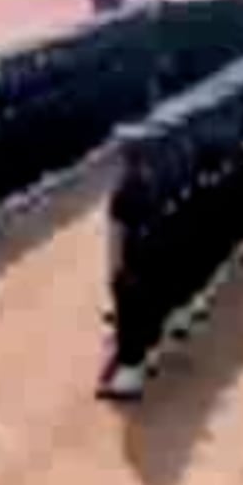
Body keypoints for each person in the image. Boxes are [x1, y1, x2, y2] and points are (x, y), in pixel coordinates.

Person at [100, 125, 160, 402]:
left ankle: (129, 377)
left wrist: (114, 271)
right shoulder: (152, 182)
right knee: (145, 310)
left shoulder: (122, 191)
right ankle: (143, 360)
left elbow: (116, 235)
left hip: (131, 261)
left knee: (128, 317)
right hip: (151, 256)